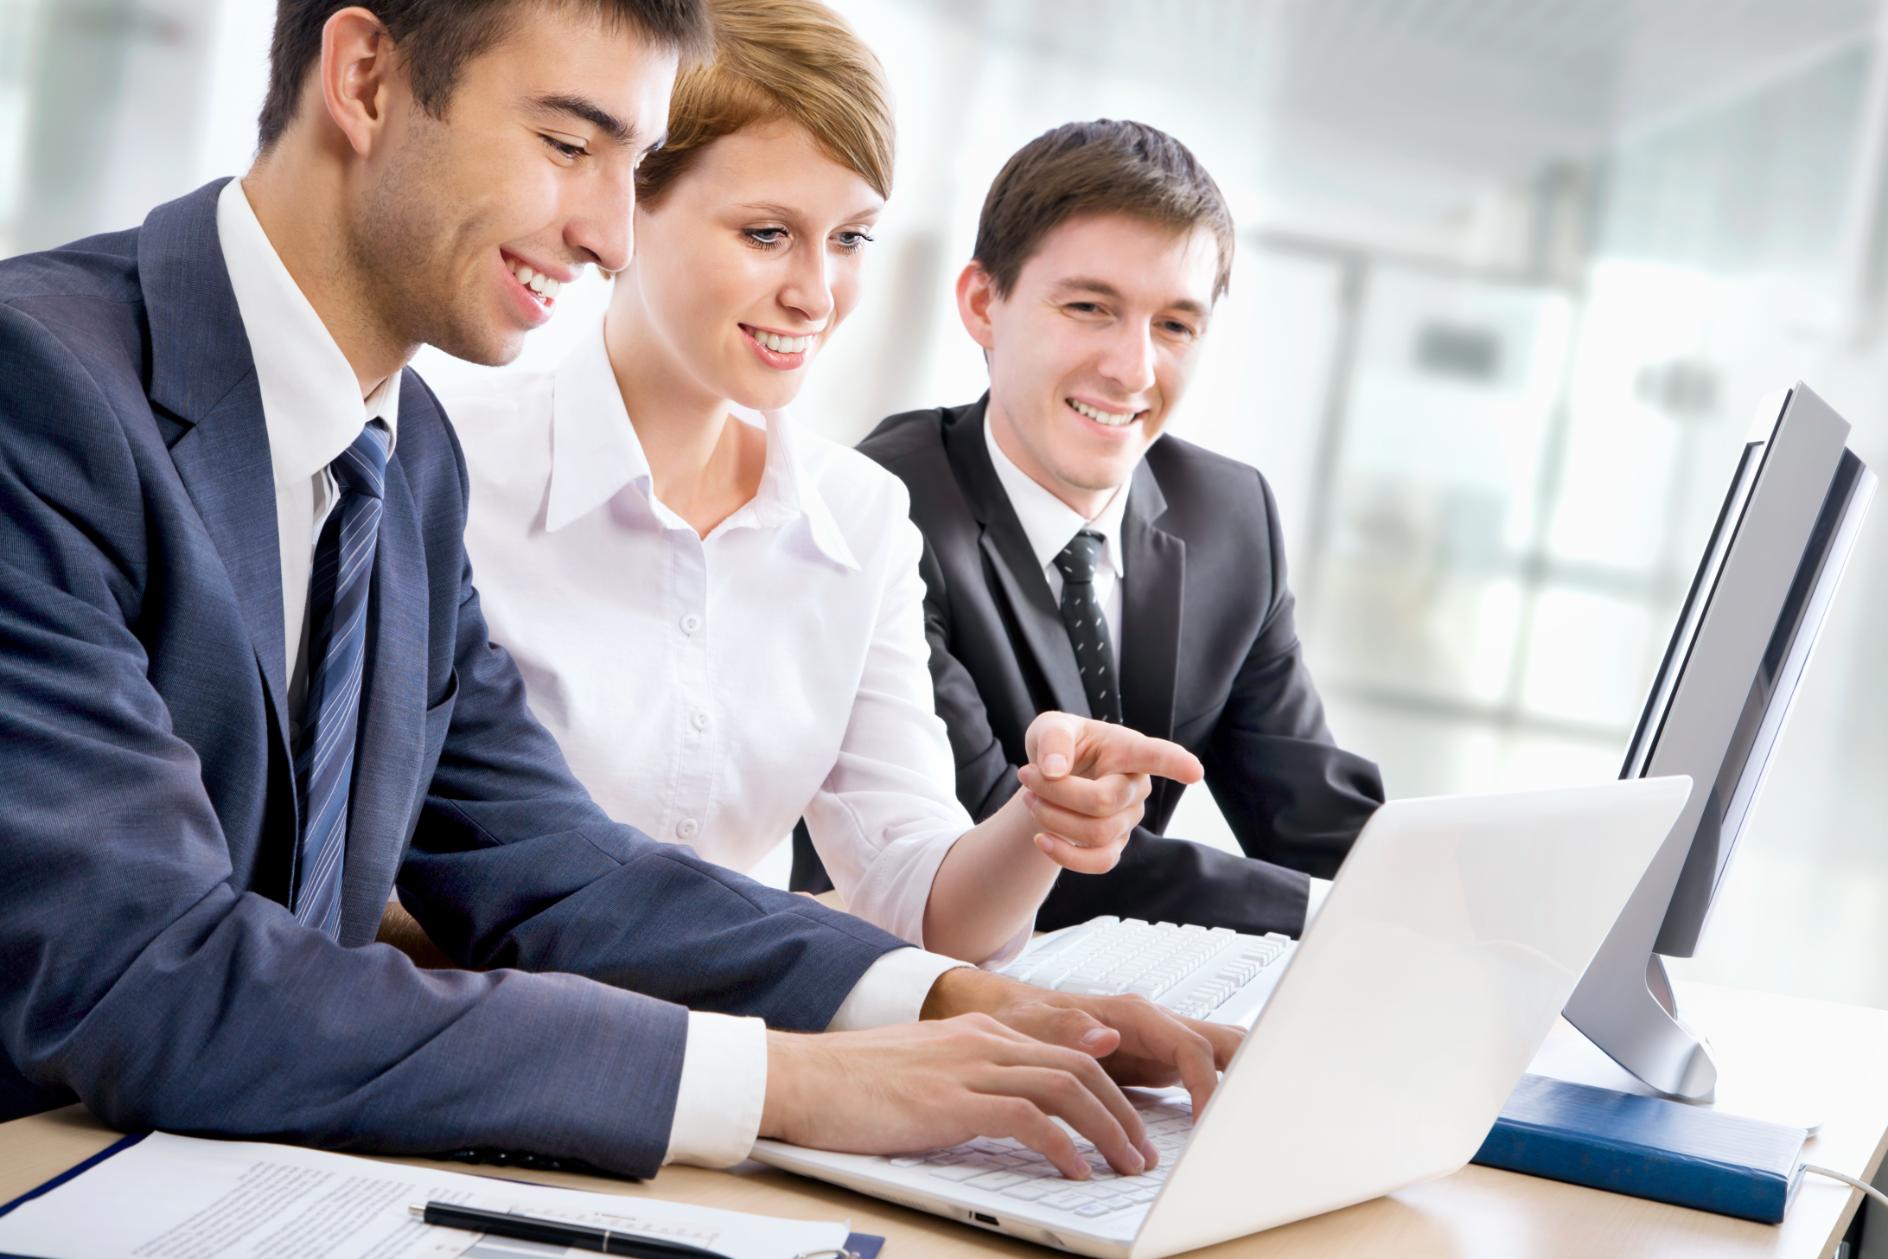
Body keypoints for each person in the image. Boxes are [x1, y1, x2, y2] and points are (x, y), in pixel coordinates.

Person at [0, 4, 1239, 1184]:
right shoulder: (40, 389)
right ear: (367, 80)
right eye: (566, 145)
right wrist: (783, 1084)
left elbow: (552, 860)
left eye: (631, 162)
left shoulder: (401, 449)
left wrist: (966, 1002)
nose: (607, 233)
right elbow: (145, 976)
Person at [446, 0, 1198, 967]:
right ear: (627, 203)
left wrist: (1039, 819)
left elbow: (919, 900)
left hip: (750, 1056)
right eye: (767, 233)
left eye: (850, 239)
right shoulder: (453, 472)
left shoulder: (861, 518)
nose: (816, 292)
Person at [793, 120, 1387, 938]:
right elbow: (1015, 849)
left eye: (1175, 325)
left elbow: (1316, 821)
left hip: (1109, 984)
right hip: (903, 985)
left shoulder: (1231, 516)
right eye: (1089, 308)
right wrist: (1337, 913)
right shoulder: (883, 507)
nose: (1133, 369)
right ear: (982, 304)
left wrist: (1458, 907)